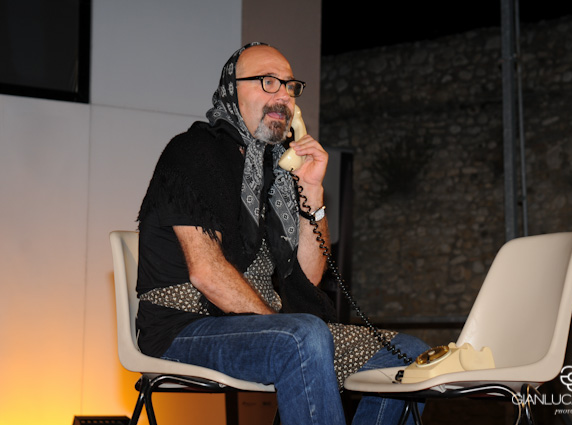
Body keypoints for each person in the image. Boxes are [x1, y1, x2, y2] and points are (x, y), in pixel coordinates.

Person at [136, 42, 429, 425]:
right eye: (268, 82)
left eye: (290, 86)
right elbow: (207, 273)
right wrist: (278, 324)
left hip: (268, 326)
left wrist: (312, 189)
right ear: (232, 90)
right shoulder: (192, 153)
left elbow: (310, 275)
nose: (283, 96)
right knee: (304, 335)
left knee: (409, 353)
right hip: (184, 327)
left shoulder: (277, 171)